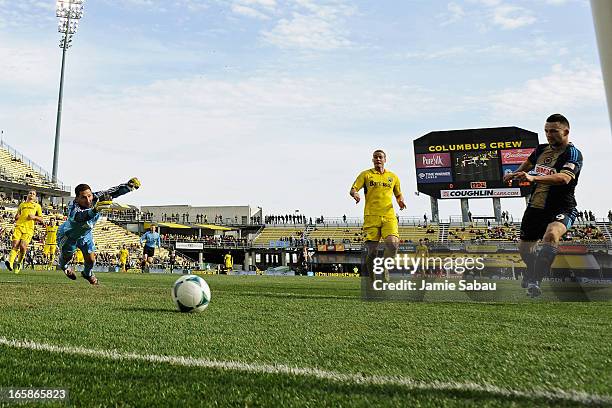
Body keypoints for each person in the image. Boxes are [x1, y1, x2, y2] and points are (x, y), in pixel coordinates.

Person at [503, 114, 582, 297]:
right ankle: (532, 271)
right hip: (535, 208)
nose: (548, 134)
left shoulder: (573, 154)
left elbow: (563, 178)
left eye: (553, 131)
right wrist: (516, 173)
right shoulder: (540, 150)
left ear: (566, 131)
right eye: (546, 131)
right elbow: (529, 163)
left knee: (552, 235)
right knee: (524, 249)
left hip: (562, 207)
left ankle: (535, 281)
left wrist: (533, 177)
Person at [57, 178, 141, 285]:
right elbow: (80, 217)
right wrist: (95, 210)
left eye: (89, 196)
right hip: (69, 236)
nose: (88, 200)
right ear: (77, 198)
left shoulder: (96, 197)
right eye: (83, 197)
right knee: (67, 257)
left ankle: (87, 273)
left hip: (85, 235)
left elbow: (112, 192)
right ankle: (64, 266)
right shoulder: (73, 208)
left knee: (91, 260)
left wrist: (129, 186)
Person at [350, 149, 406, 280]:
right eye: (375, 157)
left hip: (389, 216)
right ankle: (372, 277)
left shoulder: (393, 177)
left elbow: (398, 194)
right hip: (371, 216)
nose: (378, 159)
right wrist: (356, 194)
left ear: (385, 160)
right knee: (372, 252)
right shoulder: (365, 175)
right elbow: (353, 189)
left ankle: (385, 267)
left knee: (393, 244)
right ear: (372, 160)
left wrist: (401, 201)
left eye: (380, 157)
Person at [5, 190, 43, 273]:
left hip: (29, 228)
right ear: (27, 195)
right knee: (15, 244)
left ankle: (19, 263)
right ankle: (10, 262)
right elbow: (16, 216)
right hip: (19, 226)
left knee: (22, 247)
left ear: (35, 197)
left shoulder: (37, 206)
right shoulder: (22, 205)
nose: (31, 195)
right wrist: (16, 216)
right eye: (30, 193)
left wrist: (34, 217)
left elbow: (41, 219)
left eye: (33, 194)